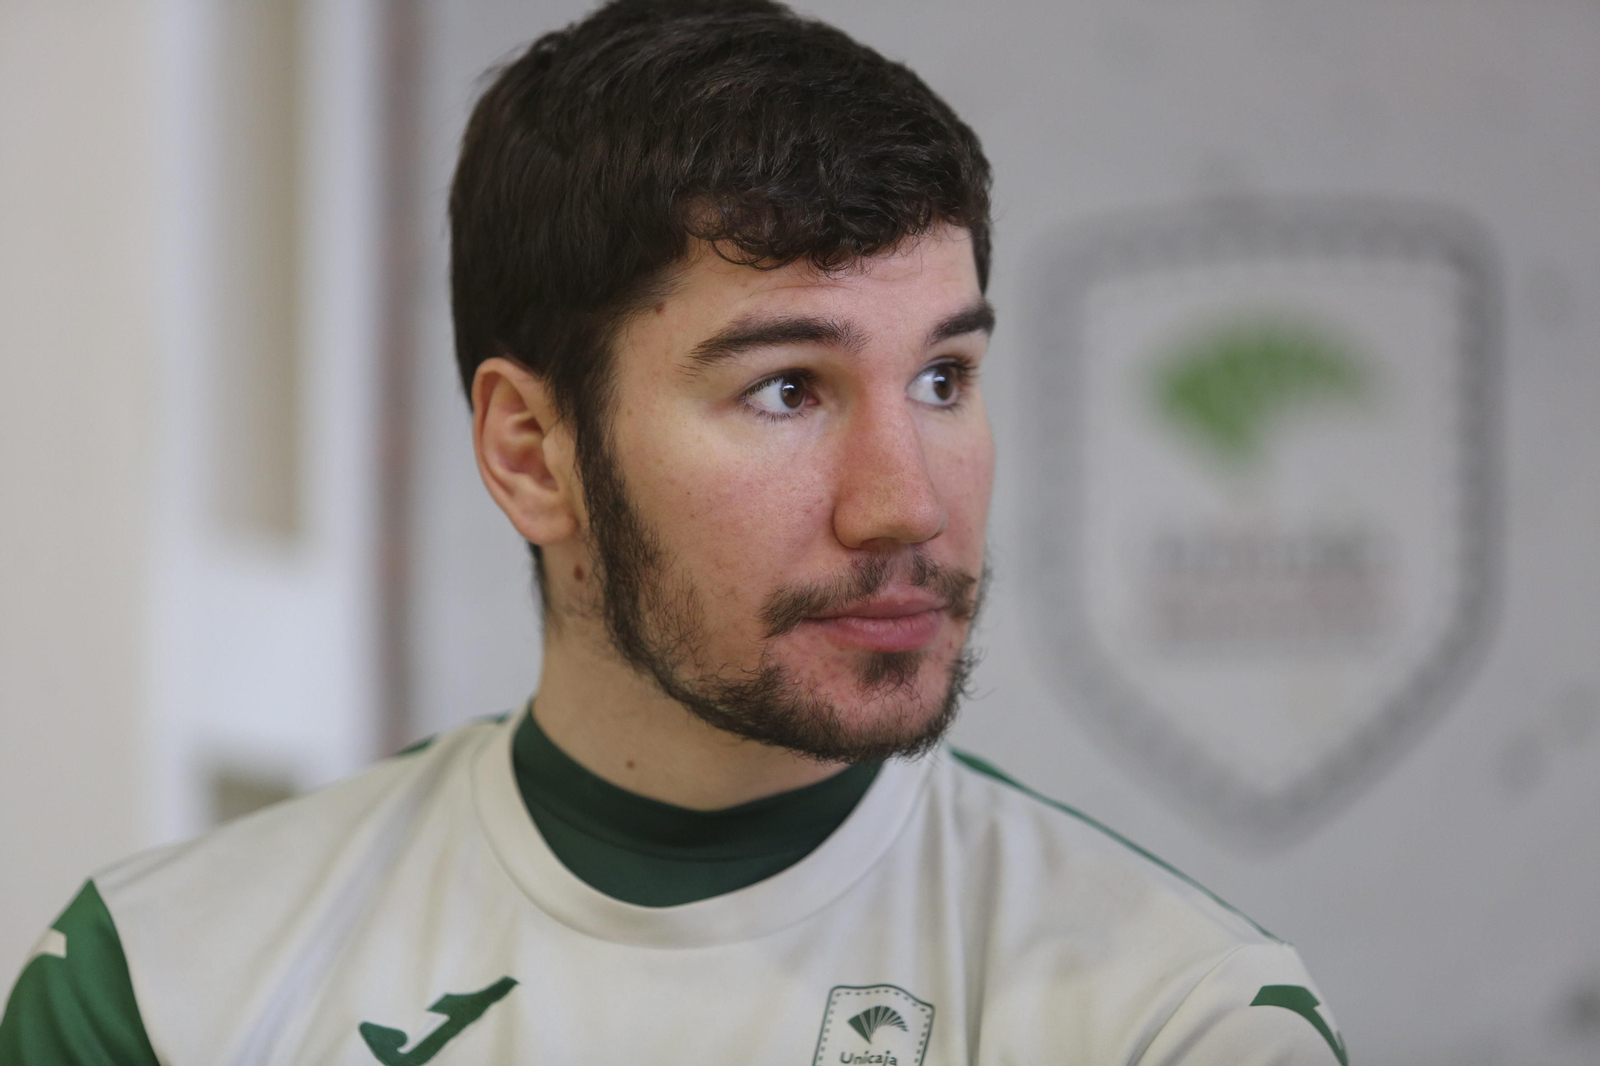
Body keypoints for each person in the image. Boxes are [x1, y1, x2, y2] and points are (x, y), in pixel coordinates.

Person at [1, 1, 1347, 1062]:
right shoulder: (164, 989)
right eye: (787, 388)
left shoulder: (1181, 1021)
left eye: (943, 378)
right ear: (534, 451)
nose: (910, 503)